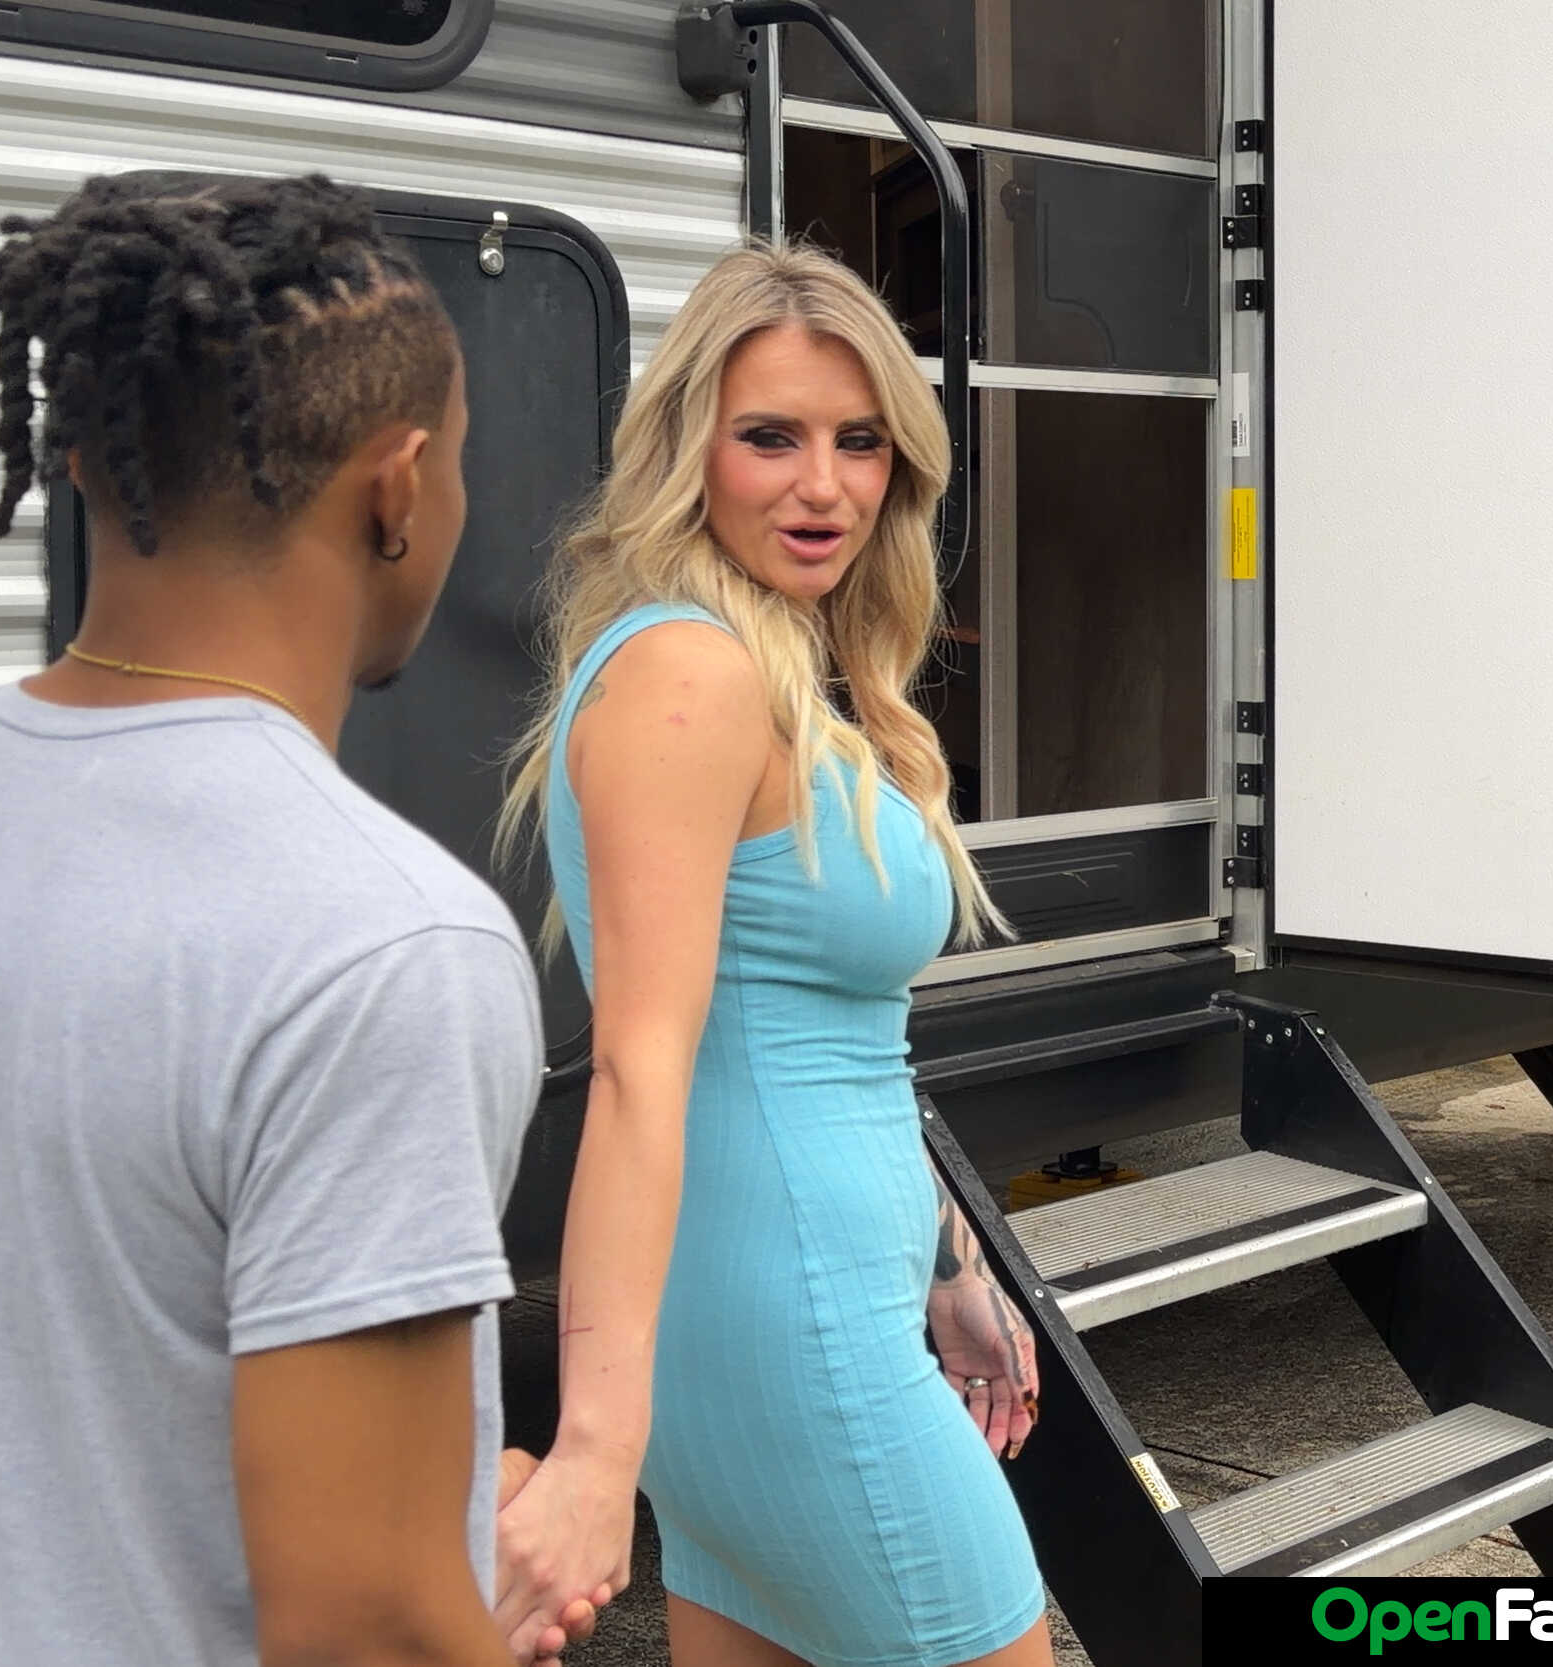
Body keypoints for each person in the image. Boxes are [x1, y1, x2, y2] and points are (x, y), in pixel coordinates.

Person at [0, 171, 596, 1667]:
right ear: (398, 486)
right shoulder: (384, 944)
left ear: (87, 464)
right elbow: (362, 1634)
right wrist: (429, 1603)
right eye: (461, 464)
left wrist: (434, 1534)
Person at [491, 243, 1051, 1666]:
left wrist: (948, 1264)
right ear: (690, 449)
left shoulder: (778, 668)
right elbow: (639, 1071)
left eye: (860, 442)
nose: (824, 487)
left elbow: (832, 1039)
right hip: (798, 1331)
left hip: (791, 1307)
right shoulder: (694, 674)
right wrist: (592, 1448)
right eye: (771, 438)